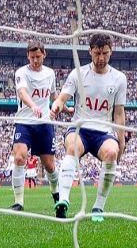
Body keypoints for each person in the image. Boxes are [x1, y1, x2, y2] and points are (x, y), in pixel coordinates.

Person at [50, 33, 127, 222]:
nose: (101, 58)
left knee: (111, 153)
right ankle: (63, 201)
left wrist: (121, 140)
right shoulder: (78, 74)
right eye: (97, 53)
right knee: (72, 147)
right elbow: (62, 98)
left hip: (104, 132)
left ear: (111, 52)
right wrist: (56, 106)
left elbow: (119, 113)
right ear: (90, 52)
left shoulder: (119, 78)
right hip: (80, 128)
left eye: (105, 53)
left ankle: (98, 207)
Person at [10, 40, 59, 211]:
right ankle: (18, 202)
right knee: (19, 158)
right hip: (24, 122)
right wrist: (32, 106)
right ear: (27, 56)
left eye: (38, 56)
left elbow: (53, 95)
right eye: (32, 57)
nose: (35, 60)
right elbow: (22, 92)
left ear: (44, 54)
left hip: (44, 123)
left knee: (49, 165)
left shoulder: (50, 73)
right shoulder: (21, 72)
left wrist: (63, 107)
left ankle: (56, 194)